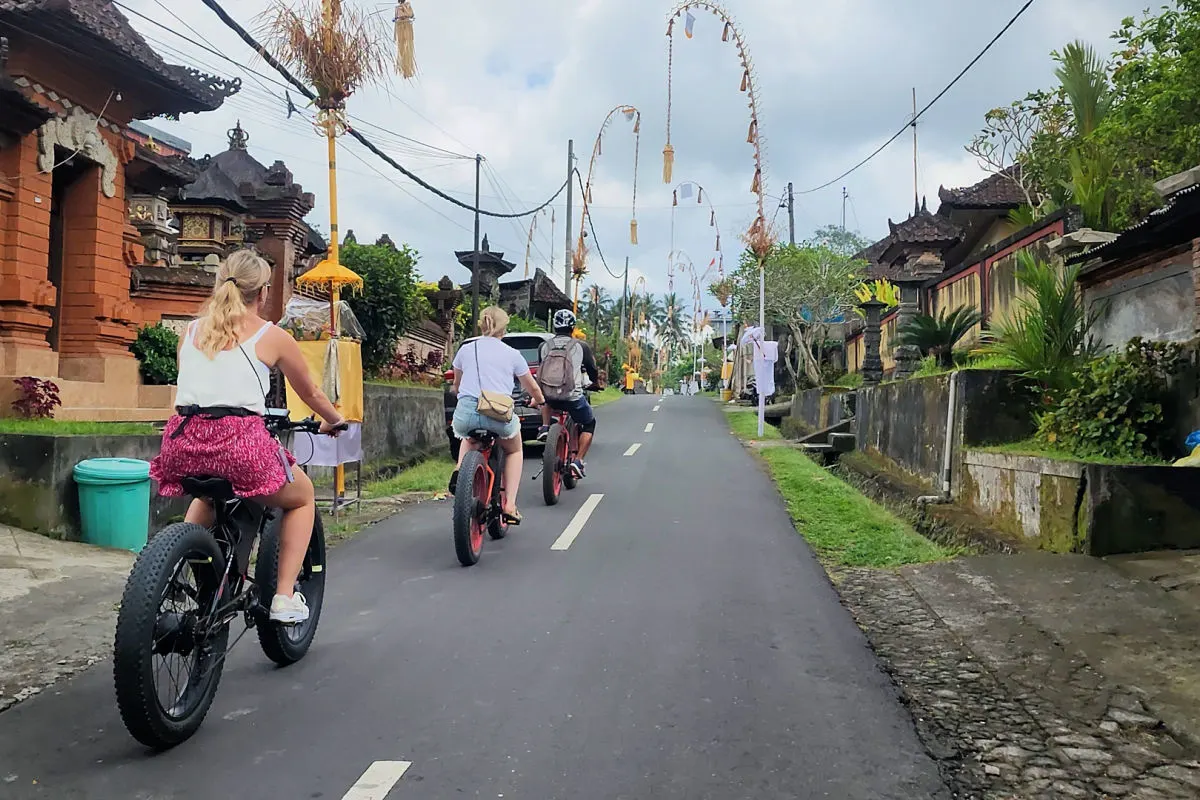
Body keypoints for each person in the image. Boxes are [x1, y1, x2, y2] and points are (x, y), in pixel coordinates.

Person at [150, 249, 344, 624]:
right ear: (264, 292)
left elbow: (195, 390)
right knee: (301, 497)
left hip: (181, 441)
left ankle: (171, 572)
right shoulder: (272, 335)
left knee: (209, 491)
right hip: (239, 445)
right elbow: (311, 394)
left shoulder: (191, 331)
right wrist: (335, 420)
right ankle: (284, 596)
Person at [449, 306, 545, 523]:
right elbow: (532, 387)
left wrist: (460, 394)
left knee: (467, 436)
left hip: (467, 412)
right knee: (514, 449)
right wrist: (539, 401)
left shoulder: (466, 350)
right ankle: (509, 505)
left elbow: (457, 384)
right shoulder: (513, 355)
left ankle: (459, 468)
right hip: (498, 413)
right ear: (504, 329)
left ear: (482, 325)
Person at [536, 309, 599, 478]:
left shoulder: (544, 346)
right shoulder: (580, 347)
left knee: (546, 398)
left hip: (549, 396)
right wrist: (594, 383)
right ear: (573, 327)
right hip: (572, 397)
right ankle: (578, 461)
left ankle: (545, 426)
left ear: (554, 326)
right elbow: (593, 371)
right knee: (589, 423)